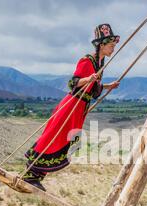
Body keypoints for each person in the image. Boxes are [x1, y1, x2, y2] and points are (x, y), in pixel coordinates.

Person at [22, 24, 121, 191]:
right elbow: (73, 83)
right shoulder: (86, 60)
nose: (113, 49)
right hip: (72, 105)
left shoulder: (100, 62)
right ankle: (30, 175)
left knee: (64, 139)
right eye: (111, 46)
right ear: (101, 45)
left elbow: (93, 88)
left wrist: (106, 86)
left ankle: (37, 177)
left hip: (80, 107)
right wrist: (89, 78)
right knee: (54, 136)